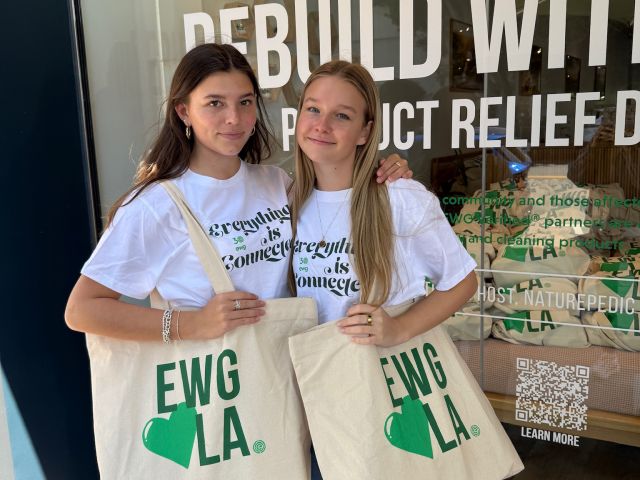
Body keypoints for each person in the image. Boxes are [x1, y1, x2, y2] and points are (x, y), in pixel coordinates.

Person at [65, 43, 409, 341]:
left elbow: (336, 205)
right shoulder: (156, 205)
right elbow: (82, 310)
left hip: (288, 373)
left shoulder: (277, 183)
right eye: (215, 103)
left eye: (245, 102)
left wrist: (382, 170)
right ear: (184, 111)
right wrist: (192, 324)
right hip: (218, 386)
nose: (234, 118)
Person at [288, 58, 479, 480]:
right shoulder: (283, 199)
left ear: (366, 131)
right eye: (313, 109)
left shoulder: (400, 198)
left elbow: (463, 281)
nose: (322, 124)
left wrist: (399, 329)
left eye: (342, 115)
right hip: (310, 397)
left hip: (385, 391)